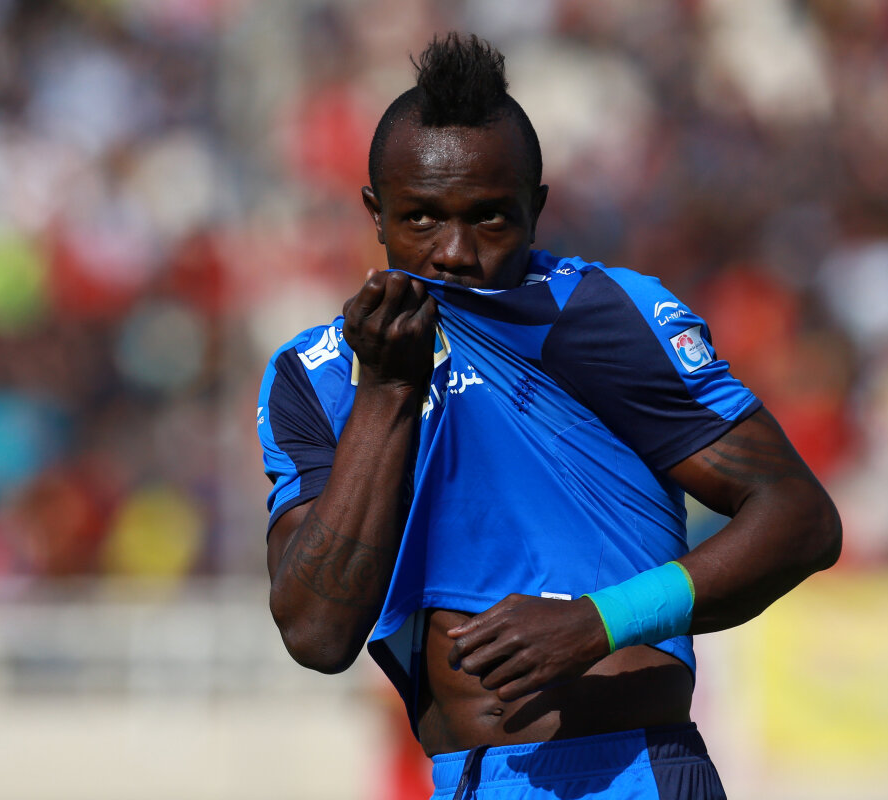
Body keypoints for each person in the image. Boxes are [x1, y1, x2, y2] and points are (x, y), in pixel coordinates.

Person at [258, 33, 841, 800]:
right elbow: (316, 634)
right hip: (461, 782)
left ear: (536, 208)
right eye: (422, 219)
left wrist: (601, 621)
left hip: (630, 774)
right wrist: (387, 390)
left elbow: (801, 519)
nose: (454, 252)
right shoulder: (317, 375)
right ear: (376, 212)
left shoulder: (601, 315)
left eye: (489, 219)